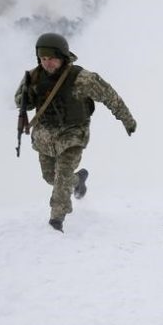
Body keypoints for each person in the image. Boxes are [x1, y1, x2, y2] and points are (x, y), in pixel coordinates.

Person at [14, 33, 137, 232]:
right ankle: (78, 181)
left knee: (61, 180)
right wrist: (28, 95)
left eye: (52, 59)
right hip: (45, 136)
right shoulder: (33, 76)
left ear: (62, 56)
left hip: (73, 134)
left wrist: (127, 120)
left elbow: (110, 97)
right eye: (43, 59)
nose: (48, 64)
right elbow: (20, 102)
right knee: (50, 178)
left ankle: (56, 223)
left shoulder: (82, 78)